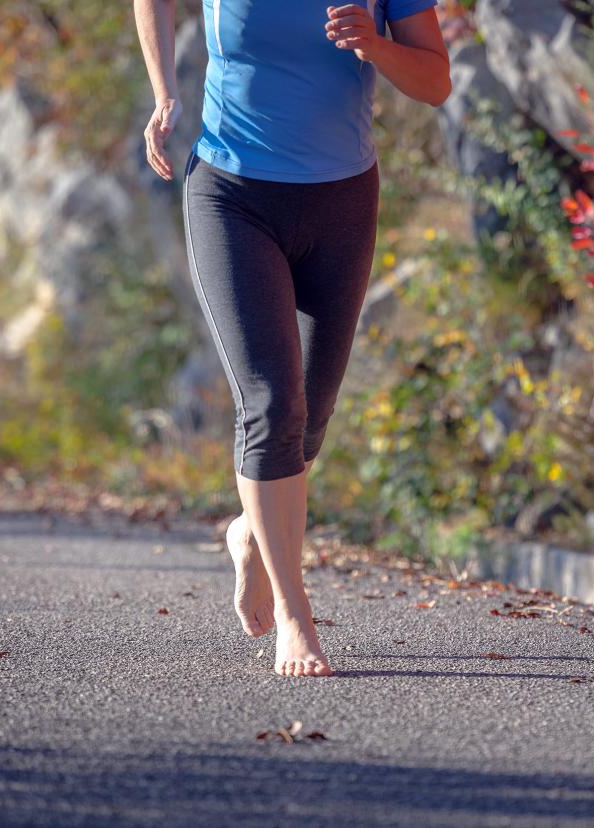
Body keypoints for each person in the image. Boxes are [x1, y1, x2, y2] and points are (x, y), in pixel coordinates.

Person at [134, 0, 451, 677]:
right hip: (231, 193)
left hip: (342, 202)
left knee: (310, 416)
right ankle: (294, 616)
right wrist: (164, 94)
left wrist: (374, 46)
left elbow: (435, 81)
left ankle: (253, 532)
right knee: (273, 405)